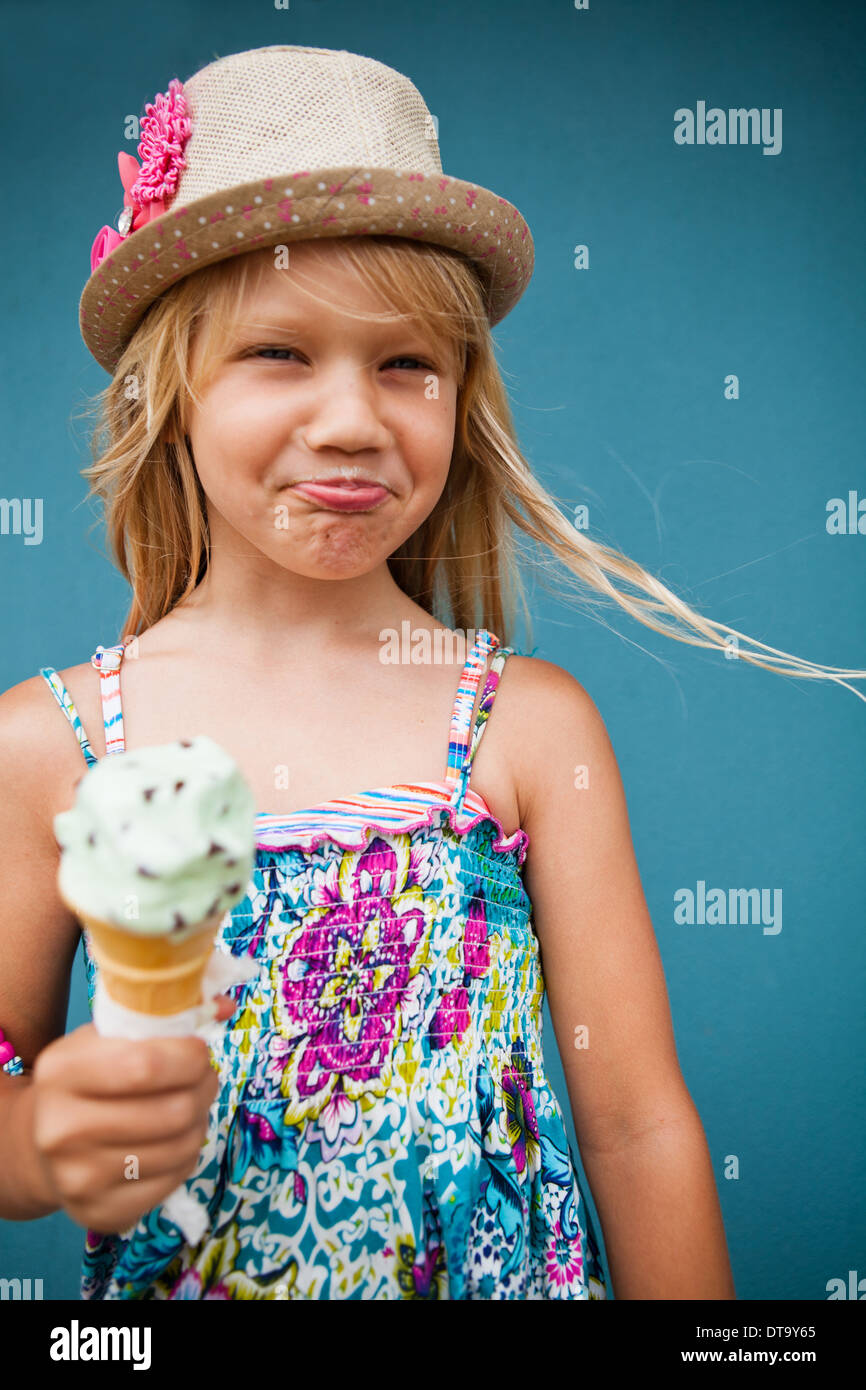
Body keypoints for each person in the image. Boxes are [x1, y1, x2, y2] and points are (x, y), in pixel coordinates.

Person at [0, 44, 857, 1302]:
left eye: (407, 363)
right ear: (168, 394)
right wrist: (36, 1140)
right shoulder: (52, 745)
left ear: (461, 400)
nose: (353, 419)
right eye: (279, 353)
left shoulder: (522, 725)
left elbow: (634, 1125)